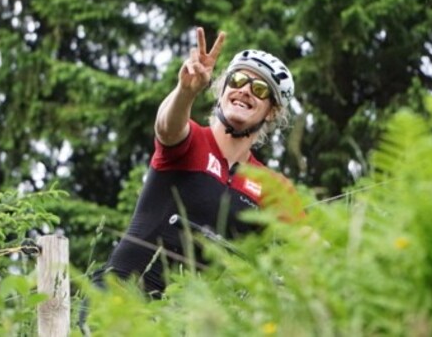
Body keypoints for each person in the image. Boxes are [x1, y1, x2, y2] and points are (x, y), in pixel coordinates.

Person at [93, 26, 296, 298]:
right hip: (118, 298)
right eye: (236, 81)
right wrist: (185, 91)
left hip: (184, 319)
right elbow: (166, 127)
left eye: (259, 88)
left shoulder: (271, 186)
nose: (245, 90)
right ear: (222, 90)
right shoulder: (193, 142)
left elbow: (314, 247)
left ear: (271, 112)